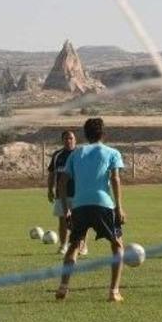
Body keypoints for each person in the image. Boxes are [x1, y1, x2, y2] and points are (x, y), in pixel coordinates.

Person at [56, 118, 126, 302]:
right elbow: (116, 179)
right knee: (117, 246)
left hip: (79, 205)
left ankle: (63, 286)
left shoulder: (75, 154)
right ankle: (114, 291)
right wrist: (119, 207)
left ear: (85, 135)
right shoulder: (112, 153)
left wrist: (66, 209)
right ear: (103, 134)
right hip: (103, 204)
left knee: (74, 246)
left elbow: (62, 182)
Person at [46, 130, 87, 256]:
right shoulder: (57, 155)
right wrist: (50, 189)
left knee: (81, 222)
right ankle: (63, 245)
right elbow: (52, 174)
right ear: (62, 140)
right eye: (66, 138)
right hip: (61, 194)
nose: (68, 140)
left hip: (78, 193)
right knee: (63, 221)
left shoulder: (81, 154)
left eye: (71, 138)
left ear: (75, 140)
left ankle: (82, 246)